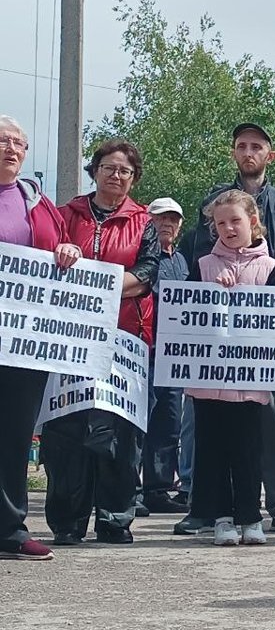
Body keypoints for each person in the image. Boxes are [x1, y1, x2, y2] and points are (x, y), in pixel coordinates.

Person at [186, 123, 275, 535]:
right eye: (242, 146)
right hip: (217, 343)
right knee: (210, 429)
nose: (249, 152)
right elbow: (198, 256)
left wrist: (272, 306)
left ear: (269, 155)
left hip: (264, 333)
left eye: (257, 146)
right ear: (234, 153)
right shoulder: (214, 200)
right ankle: (206, 508)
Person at [45, 139, 160, 545]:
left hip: (124, 341)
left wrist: (100, 288)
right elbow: (47, 262)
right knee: (66, 430)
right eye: (109, 168)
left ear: (134, 178)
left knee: (120, 433)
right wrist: (66, 253)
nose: (116, 176)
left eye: (125, 171)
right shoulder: (65, 215)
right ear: (94, 171)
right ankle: (67, 520)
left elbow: (147, 273)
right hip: (69, 339)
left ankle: (114, 518)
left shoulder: (144, 221)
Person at [0, 116, 80, 562]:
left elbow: (64, 245)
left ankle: (9, 528)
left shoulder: (37, 201)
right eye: (3, 142)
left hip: (24, 339)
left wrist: (69, 251)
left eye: (19, 143)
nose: (12, 150)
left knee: (13, 434)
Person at [188, 191, 275, 546]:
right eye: (221, 223)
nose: (228, 228)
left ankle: (250, 516)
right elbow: (188, 317)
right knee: (212, 450)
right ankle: (222, 518)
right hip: (208, 382)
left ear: (253, 222)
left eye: (235, 221)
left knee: (248, 450)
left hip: (251, 380)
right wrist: (211, 294)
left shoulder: (271, 268)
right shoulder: (201, 266)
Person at [139, 197, 190, 515]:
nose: (166, 224)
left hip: (172, 358)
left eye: (173, 219)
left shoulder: (183, 262)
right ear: (148, 222)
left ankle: (157, 489)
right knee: (135, 423)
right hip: (143, 351)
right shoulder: (141, 257)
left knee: (168, 424)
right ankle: (127, 489)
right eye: (160, 219)